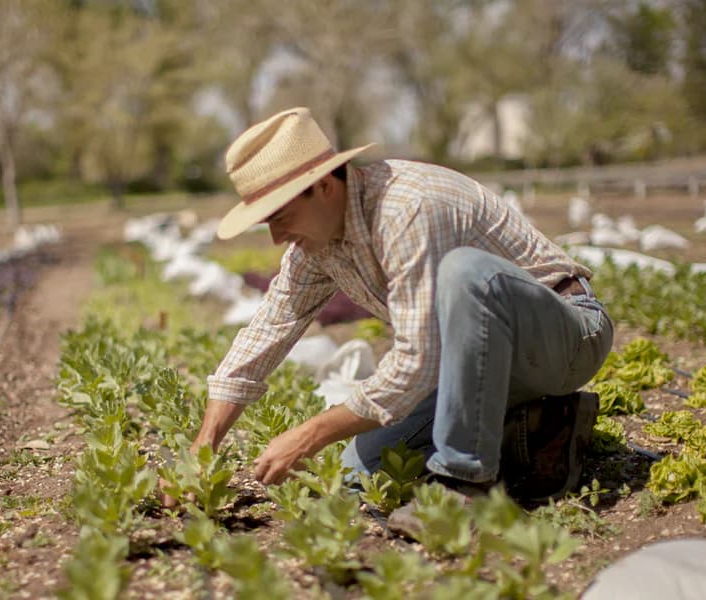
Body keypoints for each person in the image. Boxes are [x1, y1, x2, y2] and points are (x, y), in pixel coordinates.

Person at [191, 107, 614, 520]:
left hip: (565, 339)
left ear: (323, 186)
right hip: (474, 365)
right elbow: (268, 331)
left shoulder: (406, 207)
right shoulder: (316, 246)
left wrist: (309, 435)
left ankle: (466, 484)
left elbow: (417, 362)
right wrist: (202, 450)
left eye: (280, 217)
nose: (276, 236)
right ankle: (539, 427)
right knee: (360, 471)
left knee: (465, 272)